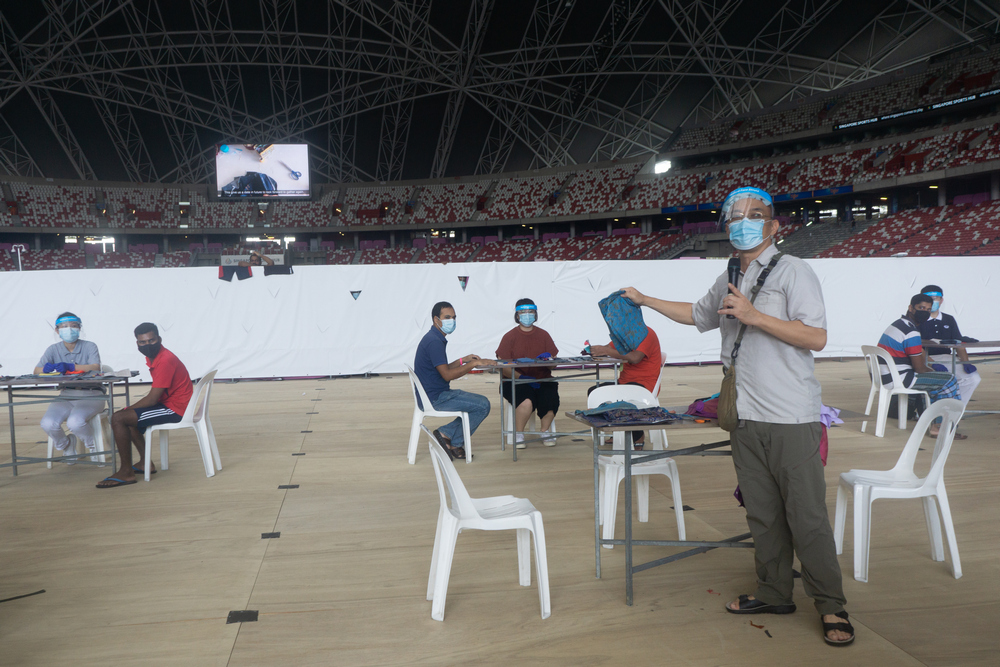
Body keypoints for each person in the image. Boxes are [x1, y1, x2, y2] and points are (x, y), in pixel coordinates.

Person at [619, 186, 853, 646]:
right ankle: (774, 592)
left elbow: (816, 337)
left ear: (774, 225)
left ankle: (831, 604)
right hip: (744, 415)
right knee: (762, 513)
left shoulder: (793, 271)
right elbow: (697, 314)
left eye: (754, 215)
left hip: (790, 415)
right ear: (726, 224)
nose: (743, 222)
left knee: (806, 516)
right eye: (735, 215)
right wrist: (646, 300)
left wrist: (753, 316)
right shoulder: (729, 272)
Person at [97, 323, 193, 488]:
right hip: (170, 403)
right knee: (128, 418)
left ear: (159, 339)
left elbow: (152, 399)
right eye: (143, 342)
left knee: (119, 418)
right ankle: (145, 463)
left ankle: (126, 472)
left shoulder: (165, 359)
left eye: (151, 340)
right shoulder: (155, 356)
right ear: (137, 344)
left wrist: (127, 409)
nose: (147, 345)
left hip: (176, 409)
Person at [414, 302, 494, 460]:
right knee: (483, 405)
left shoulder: (434, 337)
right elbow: (447, 375)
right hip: (436, 398)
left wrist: (463, 360)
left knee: (478, 403)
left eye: (454, 317)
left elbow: (442, 368)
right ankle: (449, 437)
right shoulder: (434, 342)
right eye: (447, 317)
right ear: (436, 319)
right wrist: (474, 364)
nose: (452, 321)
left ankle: (448, 438)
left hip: (433, 394)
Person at [878, 294, 963, 438]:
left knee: (940, 380)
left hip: (887, 376)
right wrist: (934, 371)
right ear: (911, 308)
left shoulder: (898, 324)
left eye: (928, 309)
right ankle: (939, 427)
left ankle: (936, 422)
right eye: (921, 308)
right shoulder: (911, 332)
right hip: (901, 378)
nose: (925, 312)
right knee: (949, 380)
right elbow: (920, 368)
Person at [35, 312, 105, 463]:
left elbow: (95, 367)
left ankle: (93, 447)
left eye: (73, 326)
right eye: (64, 327)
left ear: (79, 328)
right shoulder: (53, 350)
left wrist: (70, 366)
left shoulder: (89, 346)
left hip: (92, 394)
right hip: (67, 394)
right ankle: (66, 444)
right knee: (48, 423)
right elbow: (36, 371)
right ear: (57, 330)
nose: (69, 329)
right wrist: (48, 368)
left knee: (75, 422)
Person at [495, 299, 559, 449]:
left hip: (542, 379)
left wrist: (548, 360)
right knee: (526, 400)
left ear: (535, 314)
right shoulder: (509, 337)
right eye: (523, 312)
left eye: (530, 312)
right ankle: (519, 433)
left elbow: (554, 364)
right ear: (517, 315)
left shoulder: (544, 335)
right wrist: (521, 378)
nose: (527, 315)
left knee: (550, 398)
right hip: (514, 381)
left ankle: (545, 431)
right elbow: (502, 365)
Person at [588, 328, 662, 450]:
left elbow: (635, 357)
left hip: (645, 384)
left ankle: (637, 436)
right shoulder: (624, 333)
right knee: (594, 392)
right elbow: (608, 348)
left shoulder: (646, 334)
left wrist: (606, 350)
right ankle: (616, 430)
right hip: (625, 383)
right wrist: (596, 350)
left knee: (627, 397)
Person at [918, 284, 981, 411]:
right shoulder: (918, 320)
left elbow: (959, 343)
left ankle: (954, 411)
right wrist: (931, 363)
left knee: (973, 378)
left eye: (936, 298)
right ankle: (935, 412)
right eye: (929, 298)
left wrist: (966, 363)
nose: (933, 301)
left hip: (947, 358)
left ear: (941, 300)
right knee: (942, 380)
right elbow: (915, 347)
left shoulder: (949, 319)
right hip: (924, 358)